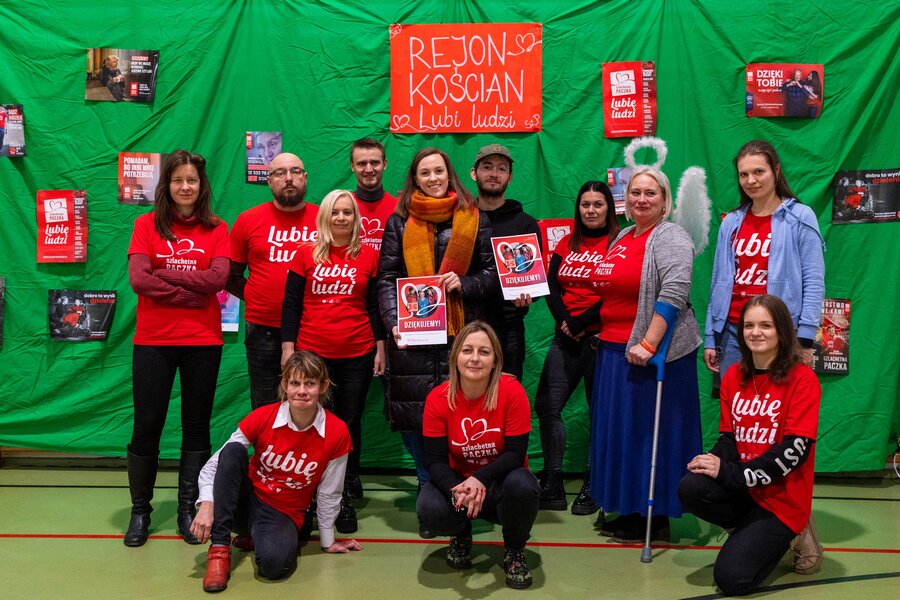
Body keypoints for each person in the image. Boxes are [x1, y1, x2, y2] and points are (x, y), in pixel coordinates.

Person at [377, 147, 497, 536]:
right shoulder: (399, 222)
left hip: (461, 339)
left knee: (458, 417)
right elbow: (386, 278)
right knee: (415, 421)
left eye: (439, 171)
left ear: (450, 175)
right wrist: (393, 322)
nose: (433, 178)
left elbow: (492, 274)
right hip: (412, 340)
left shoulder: (474, 217)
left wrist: (465, 283)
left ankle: (462, 494)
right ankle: (430, 491)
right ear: (415, 178)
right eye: (425, 172)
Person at [679, 294, 823, 596]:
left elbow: (793, 452)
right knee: (691, 487)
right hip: (747, 489)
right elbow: (730, 439)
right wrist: (713, 461)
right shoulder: (734, 375)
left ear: (782, 331)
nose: (756, 332)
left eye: (765, 325)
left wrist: (730, 473)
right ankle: (751, 531)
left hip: (782, 499)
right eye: (748, 325)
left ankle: (795, 533)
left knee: (732, 580)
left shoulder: (803, 379)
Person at [589, 167, 702, 543]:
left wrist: (649, 344)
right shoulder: (624, 235)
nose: (641, 199)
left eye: (650, 193)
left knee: (648, 437)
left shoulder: (670, 235)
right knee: (623, 435)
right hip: (613, 351)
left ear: (665, 200)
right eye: (635, 192)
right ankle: (629, 507)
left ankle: (654, 516)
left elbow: (675, 291)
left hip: (653, 356)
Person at [124, 150, 230, 547]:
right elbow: (139, 279)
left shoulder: (217, 228)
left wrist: (165, 274)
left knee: (196, 425)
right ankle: (140, 511)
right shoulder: (145, 225)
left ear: (202, 186)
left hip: (203, 341)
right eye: (178, 180)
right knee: (146, 425)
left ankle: (189, 508)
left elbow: (218, 279)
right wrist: (188, 292)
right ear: (166, 185)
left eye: (192, 180)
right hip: (154, 341)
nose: (185, 187)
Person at [190, 351, 362, 593]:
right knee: (233, 451)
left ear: (323, 386)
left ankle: (256, 536)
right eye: (295, 383)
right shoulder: (263, 416)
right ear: (284, 385)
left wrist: (327, 541)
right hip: (242, 502)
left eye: (310, 383)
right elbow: (215, 465)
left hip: (281, 512)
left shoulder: (337, 431)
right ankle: (219, 550)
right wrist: (208, 503)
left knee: (274, 567)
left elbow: (330, 491)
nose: (302, 391)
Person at [281, 189, 385, 534]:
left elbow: (375, 307)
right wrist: (288, 348)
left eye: (347, 212)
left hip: (358, 352)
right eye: (335, 212)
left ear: (356, 218)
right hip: (313, 355)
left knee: (349, 423)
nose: (341, 218)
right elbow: (291, 304)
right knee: (313, 425)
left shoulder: (369, 256)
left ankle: (344, 493)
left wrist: (381, 347)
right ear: (325, 216)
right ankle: (311, 493)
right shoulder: (304, 254)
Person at [417, 321, 539, 589]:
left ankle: (514, 550)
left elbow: (516, 453)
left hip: (499, 483)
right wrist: (457, 490)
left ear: (495, 361)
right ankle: (461, 534)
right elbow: (434, 460)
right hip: (459, 483)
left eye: (484, 352)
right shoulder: (437, 398)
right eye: (467, 350)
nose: (474, 358)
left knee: (524, 485)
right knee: (430, 508)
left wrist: (480, 479)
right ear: (455, 357)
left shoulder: (512, 391)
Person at [704, 140, 825, 392]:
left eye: (759, 171)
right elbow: (718, 282)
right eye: (744, 174)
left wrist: (804, 338)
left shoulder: (800, 217)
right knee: (737, 406)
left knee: (778, 406)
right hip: (732, 332)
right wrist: (710, 337)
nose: (751, 180)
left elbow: (813, 280)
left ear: (776, 171)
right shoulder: (731, 222)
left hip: (781, 333)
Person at [535, 181, 619, 515]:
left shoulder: (618, 243)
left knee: (600, 412)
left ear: (609, 208)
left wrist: (582, 321)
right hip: (566, 337)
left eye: (598, 204)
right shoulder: (567, 242)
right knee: (547, 405)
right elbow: (550, 284)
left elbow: (617, 290)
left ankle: (594, 481)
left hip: (601, 340)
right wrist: (566, 321)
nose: (591, 210)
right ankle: (553, 482)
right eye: (586, 204)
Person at [226, 153, 319, 409]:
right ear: (269, 181)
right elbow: (230, 275)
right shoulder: (248, 220)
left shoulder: (324, 218)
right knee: (266, 405)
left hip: (312, 327)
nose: (289, 178)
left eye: (295, 171)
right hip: (263, 328)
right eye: (280, 173)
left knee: (311, 403)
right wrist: (256, 295)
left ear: (305, 178)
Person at [470, 143, 541, 381]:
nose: (494, 173)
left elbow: (533, 278)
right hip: (466, 325)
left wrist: (529, 295)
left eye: (501, 169)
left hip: (509, 326)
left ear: (509, 177)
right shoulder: (461, 220)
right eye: (487, 167)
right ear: (474, 173)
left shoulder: (526, 224)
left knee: (507, 392)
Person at [350, 138, 399, 253]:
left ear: (385, 164)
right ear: (352, 166)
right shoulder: (341, 210)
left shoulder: (399, 209)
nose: (368, 169)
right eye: (362, 163)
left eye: (374, 163)